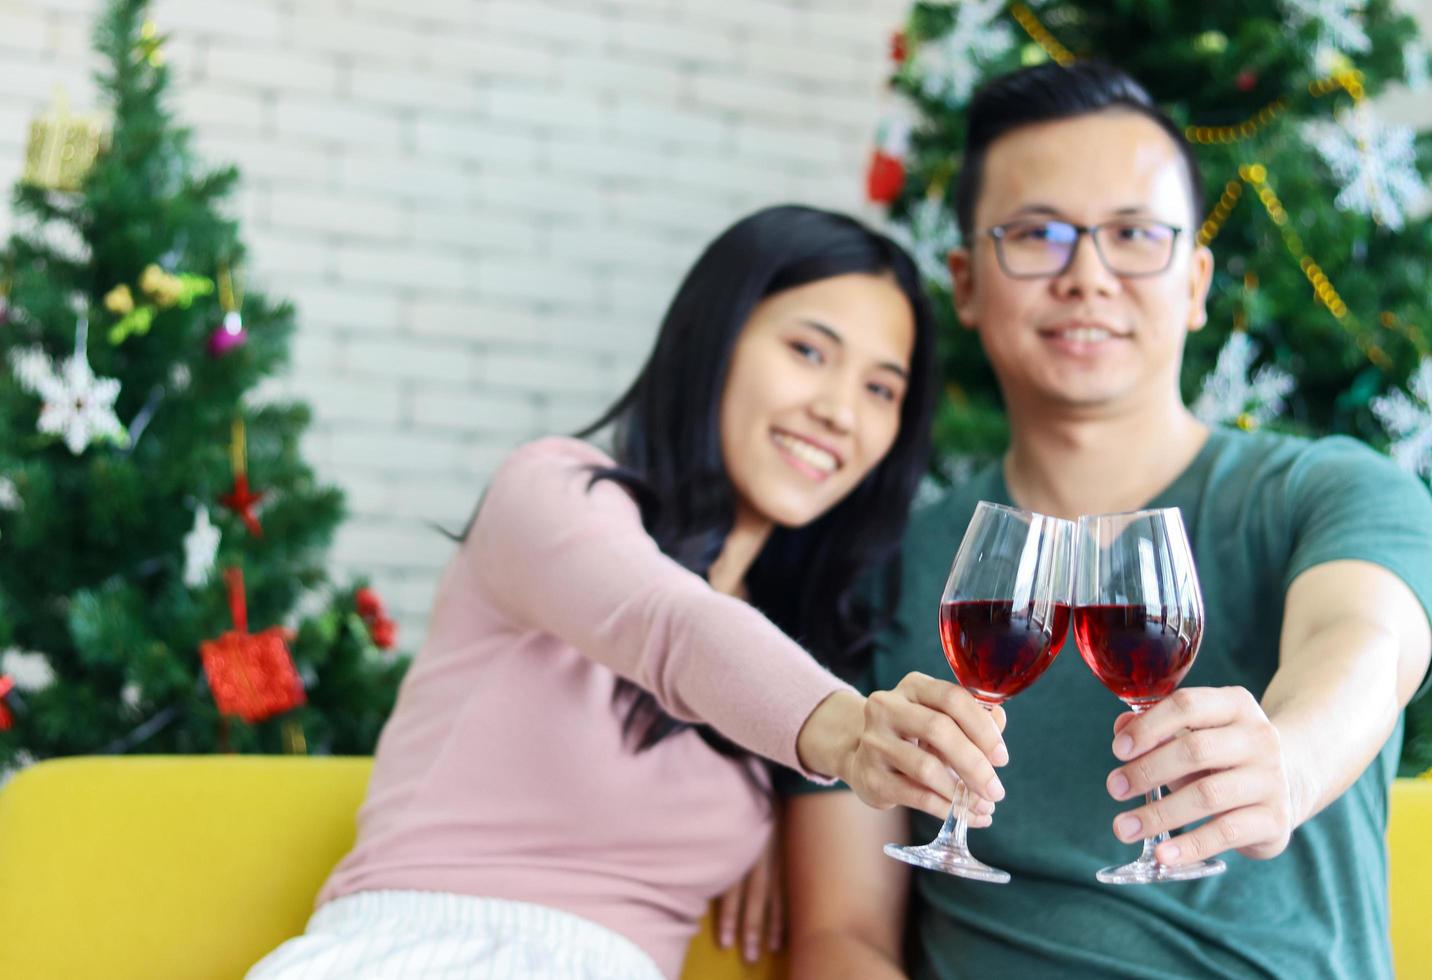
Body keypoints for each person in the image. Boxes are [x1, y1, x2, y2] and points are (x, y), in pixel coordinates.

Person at [783, 63, 1432, 979]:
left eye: (1133, 235)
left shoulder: (1324, 492)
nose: (1087, 276)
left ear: (1197, 280)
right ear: (965, 283)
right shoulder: (882, 566)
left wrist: (1287, 760)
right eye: (1038, 235)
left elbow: (1367, 641)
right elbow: (840, 935)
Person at [246, 204, 1011, 980]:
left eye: (882, 390)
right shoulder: (548, 492)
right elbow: (668, 624)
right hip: (421, 950)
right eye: (809, 351)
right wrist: (848, 734)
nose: (839, 412)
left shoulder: (795, 654)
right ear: (714, 343)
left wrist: (770, 818)